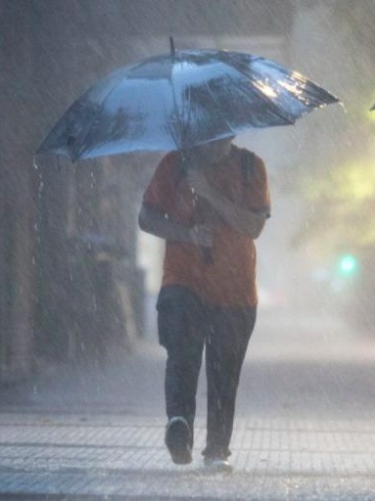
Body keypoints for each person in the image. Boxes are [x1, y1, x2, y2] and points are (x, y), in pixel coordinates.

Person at [138, 135, 270, 473]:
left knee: (224, 372)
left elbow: (253, 226)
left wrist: (210, 192)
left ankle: (216, 450)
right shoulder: (176, 164)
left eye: (224, 130)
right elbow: (147, 218)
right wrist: (187, 234)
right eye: (209, 130)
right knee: (182, 352)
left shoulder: (249, 166)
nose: (217, 138)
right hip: (183, 280)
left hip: (235, 290)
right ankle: (179, 424)